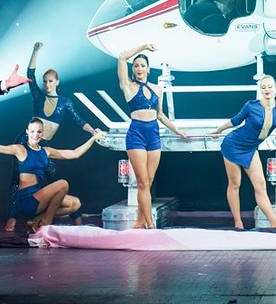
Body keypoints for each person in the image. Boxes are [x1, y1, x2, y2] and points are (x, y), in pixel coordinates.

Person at [4, 42, 100, 231]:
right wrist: (35, 51)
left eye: (50, 81)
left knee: (48, 180)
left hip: (43, 147)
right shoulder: (39, 96)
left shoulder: (65, 102)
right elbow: (30, 74)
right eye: (45, 81)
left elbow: (79, 120)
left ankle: (48, 218)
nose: (47, 85)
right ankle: (13, 217)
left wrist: (93, 132)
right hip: (25, 142)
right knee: (18, 179)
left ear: (57, 82)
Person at [118, 43, 188, 229]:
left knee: (148, 182)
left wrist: (177, 131)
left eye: (143, 65)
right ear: (133, 69)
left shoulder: (158, 89)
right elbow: (122, 57)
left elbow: (160, 115)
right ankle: (150, 223)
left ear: (148, 69)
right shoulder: (128, 86)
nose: (139, 68)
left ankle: (140, 220)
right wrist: (144, 47)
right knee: (142, 182)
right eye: (136, 66)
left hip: (153, 135)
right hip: (136, 135)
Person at [0, 117, 105, 230]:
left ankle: (38, 219)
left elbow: (75, 153)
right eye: (32, 131)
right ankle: (46, 224)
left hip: (41, 198)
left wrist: (93, 138)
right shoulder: (20, 149)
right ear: (27, 132)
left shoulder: (46, 151)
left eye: (39, 132)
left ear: (43, 133)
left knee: (75, 203)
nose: (35, 135)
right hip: (27, 201)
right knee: (63, 184)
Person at [211, 75, 276, 229]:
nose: (267, 89)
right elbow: (235, 120)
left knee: (261, 186)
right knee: (235, 184)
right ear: (260, 90)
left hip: (251, 149)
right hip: (233, 145)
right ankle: (238, 223)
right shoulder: (251, 106)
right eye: (263, 87)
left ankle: (275, 224)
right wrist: (218, 130)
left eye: (270, 86)